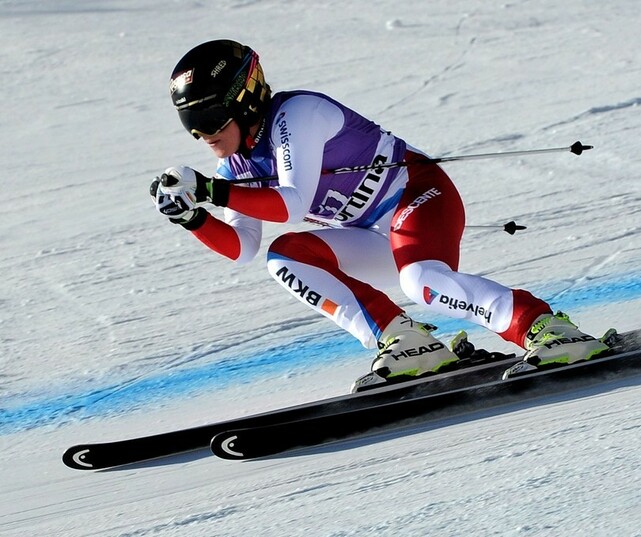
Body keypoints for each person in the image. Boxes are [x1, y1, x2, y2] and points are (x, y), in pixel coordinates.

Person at [152, 39, 609, 388]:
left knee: (423, 282)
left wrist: (212, 191)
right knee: (284, 256)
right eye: (190, 124)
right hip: (372, 233)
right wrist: (192, 217)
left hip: (419, 195)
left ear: (244, 98)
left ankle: (546, 329)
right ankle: (407, 342)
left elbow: (291, 202)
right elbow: (242, 248)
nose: (202, 135)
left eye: (208, 118)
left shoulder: (296, 114)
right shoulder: (234, 168)